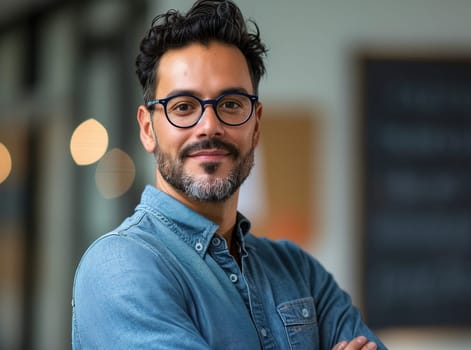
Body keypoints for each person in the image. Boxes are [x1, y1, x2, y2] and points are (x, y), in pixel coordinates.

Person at [71, 1, 386, 349]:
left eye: (231, 104)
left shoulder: (299, 271)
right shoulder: (120, 267)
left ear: (255, 126)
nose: (209, 126)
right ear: (148, 129)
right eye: (183, 107)